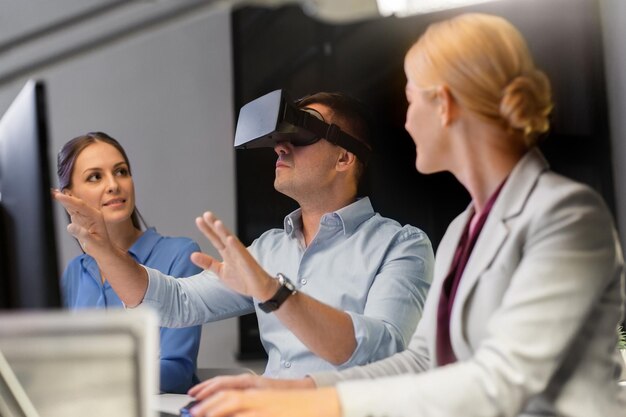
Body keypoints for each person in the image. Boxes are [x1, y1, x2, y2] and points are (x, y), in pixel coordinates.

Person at [180, 13, 626, 417]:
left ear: (445, 104)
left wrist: (322, 403)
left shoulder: (567, 216)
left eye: (412, 101)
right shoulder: (462, 230)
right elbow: (422, 359)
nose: (407, 122)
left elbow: (501, 380)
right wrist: (294, 391)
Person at [53, 94, 434, 378]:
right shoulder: (268, 249)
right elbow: (177, 303)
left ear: (344, 158)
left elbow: (385, 351)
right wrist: (100, 246)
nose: (281, 146)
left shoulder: (402, 246)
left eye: (300, 134)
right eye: (280, 136)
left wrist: (274, 292)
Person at [56, 132, 202, 394]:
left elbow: (176, 372)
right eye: (95, 177)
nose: (113, 184)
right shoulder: (74, 273)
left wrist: (89, 383)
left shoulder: (180, 255)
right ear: (69, 196)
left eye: (121, 172)